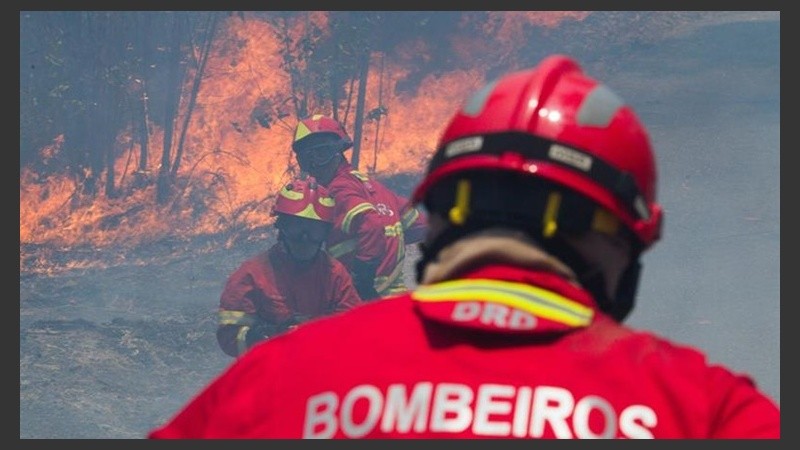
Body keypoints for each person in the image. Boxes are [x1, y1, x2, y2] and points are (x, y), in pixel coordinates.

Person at [149, 54, 780, 438]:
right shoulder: (707, 407)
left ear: (451, 211)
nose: (323, 158)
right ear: (627, 237)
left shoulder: (280, 378)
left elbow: (387, 232)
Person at [215, 176, 363, 357]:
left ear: (325, 233)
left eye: (313, 230)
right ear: (281, 227)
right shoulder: (252, 274)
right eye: (297, 228)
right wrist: (260, 337)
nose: (304, 239)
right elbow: (228, 335)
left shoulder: (335, 275)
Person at [290, 114, 427, 300]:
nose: (314, 165)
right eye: (306, 160)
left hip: (366, 299)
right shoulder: (374, 187)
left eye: (321, 155)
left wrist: (363, 276)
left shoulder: (338, 189)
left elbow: (372, 224)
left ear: (337, 152)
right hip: (395, 297)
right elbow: (419, 226)